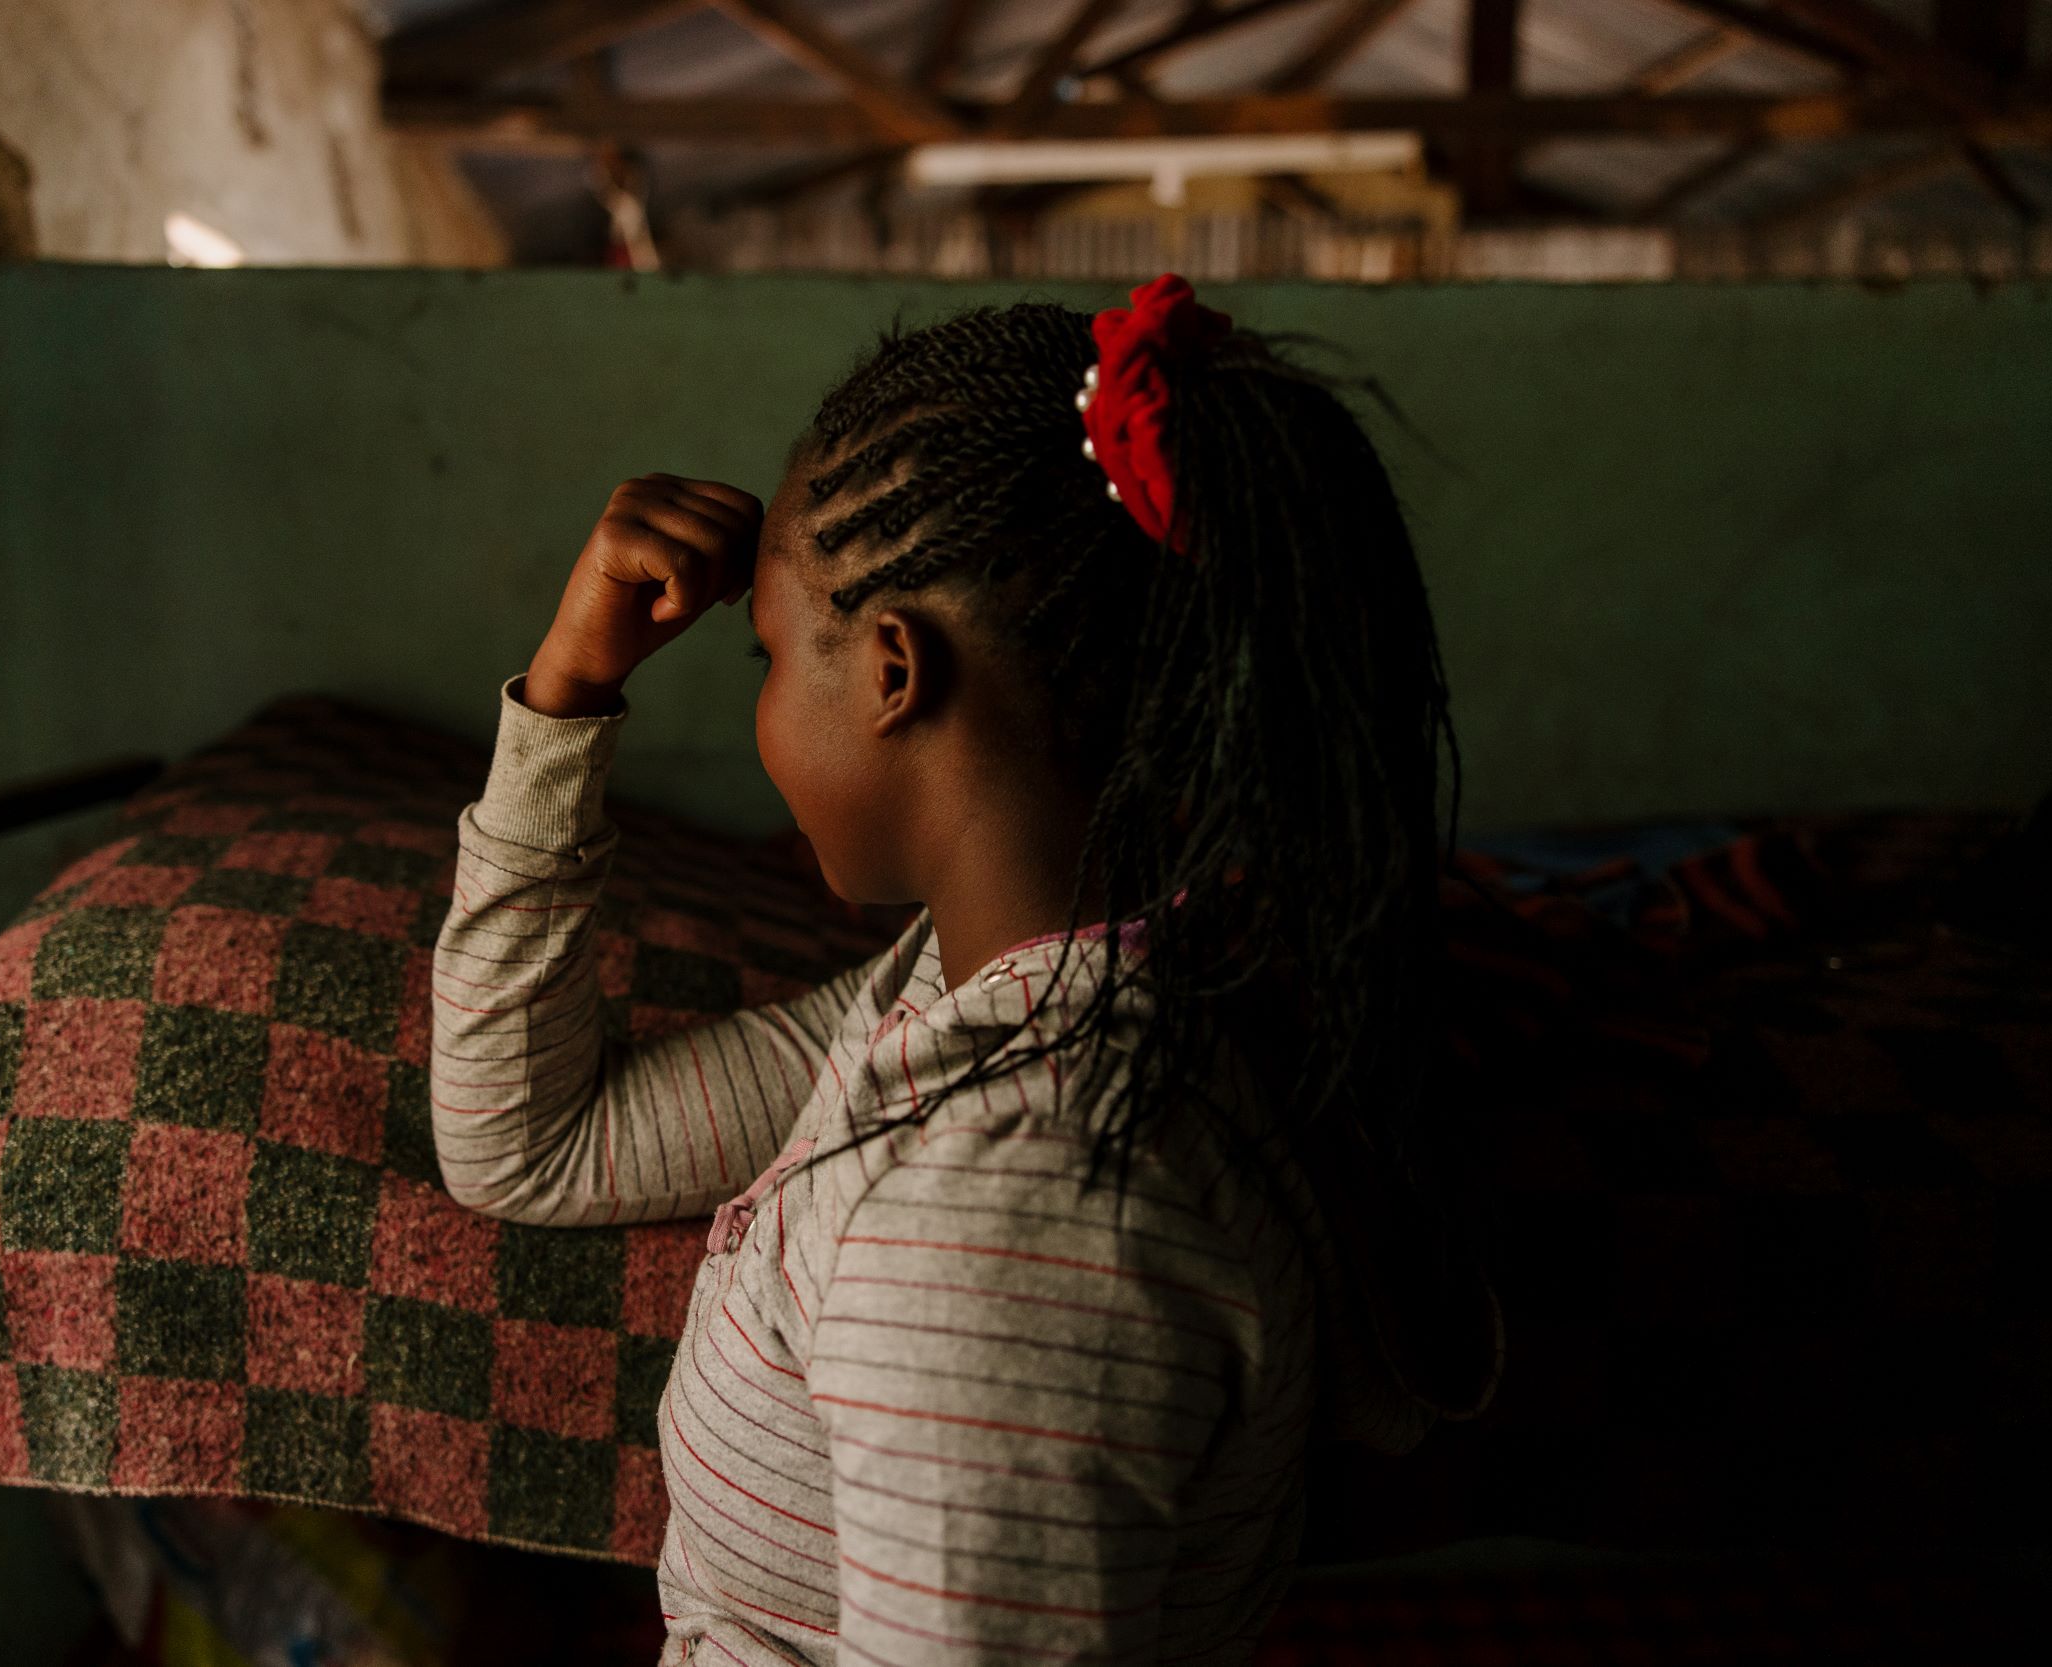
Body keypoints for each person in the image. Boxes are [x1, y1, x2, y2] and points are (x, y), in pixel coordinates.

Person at [430, 276, 1504, 1665]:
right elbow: (530, 1145)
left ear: (893, 672)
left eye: (768, 657)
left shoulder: (1004, 1219)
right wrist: (566, 692)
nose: (764, 709)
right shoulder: (994, 988)